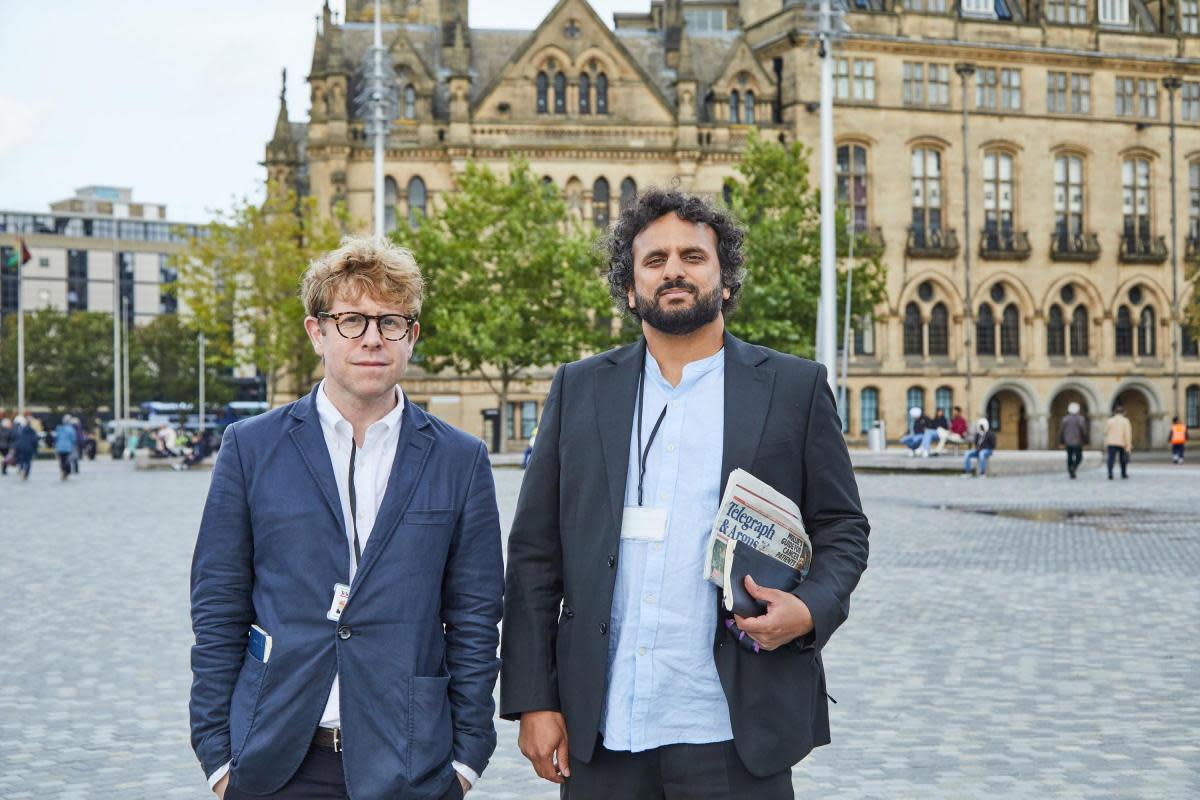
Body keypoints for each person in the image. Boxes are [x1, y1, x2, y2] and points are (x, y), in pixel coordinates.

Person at [500, 189, 870, 800]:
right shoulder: (579, 389)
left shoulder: (794, 388)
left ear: (725, 281)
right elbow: (536, 553)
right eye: (654, 259)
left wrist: (809, 611)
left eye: (694, 256)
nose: (674, 270)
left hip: (734, 730)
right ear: (630, 288)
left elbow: (842, 528)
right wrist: (534, 699)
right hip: (606, 724)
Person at [190, 237, 504, 800]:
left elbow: (476, 616)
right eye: (352, 320)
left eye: (391, 322)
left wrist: (467, 757)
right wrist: (216, 755)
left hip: (411, 760)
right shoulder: (250, 448)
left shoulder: (460, 459)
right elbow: (218, 603)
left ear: (412, 336)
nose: (371, 339)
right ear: (317, 332)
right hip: (275, 758)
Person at [1059, 402, 1089, 479]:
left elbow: (1061, 431)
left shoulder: (1065, 419)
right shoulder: (1080, 419)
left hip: (1068, 441)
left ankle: (1070, 470)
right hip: (1077, 441)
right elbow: (1084, 431)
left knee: (1069, 456)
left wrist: (1061, 441)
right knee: (1079, 457)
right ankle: (1073, 468)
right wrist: (1086, 441)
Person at [1104, 404, 1133, 480]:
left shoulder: (1110, 420)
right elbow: (1128, 434)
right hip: (1122, 442)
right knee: (1123, 459)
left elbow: (1105, 432)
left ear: (1114, 412)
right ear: (1123, 412)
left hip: (1111, 442)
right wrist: (1128, 445)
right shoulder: (1125, 421)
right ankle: (1123, 474)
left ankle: (1110, 473)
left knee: (1111, 459)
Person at [12, 416, 38, 481]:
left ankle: (21, 469)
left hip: (20, 448)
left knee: (21, 460)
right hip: (29, 449)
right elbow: (34, 441)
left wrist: (15, 448)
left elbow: (17, 439)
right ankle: (26, 474)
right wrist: (35, 451)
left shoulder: (21, 430)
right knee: (28, 462)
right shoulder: (32, 431)